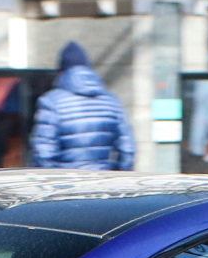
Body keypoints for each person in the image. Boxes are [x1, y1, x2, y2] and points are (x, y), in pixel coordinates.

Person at [30, 41, 137, 171]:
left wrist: (53, 183)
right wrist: (118, 178)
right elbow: (127, 149)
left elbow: (43, 153)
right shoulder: (112, 101)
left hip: (66, 185)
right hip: (104, 184)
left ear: (61, 72)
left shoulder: (51, 101)